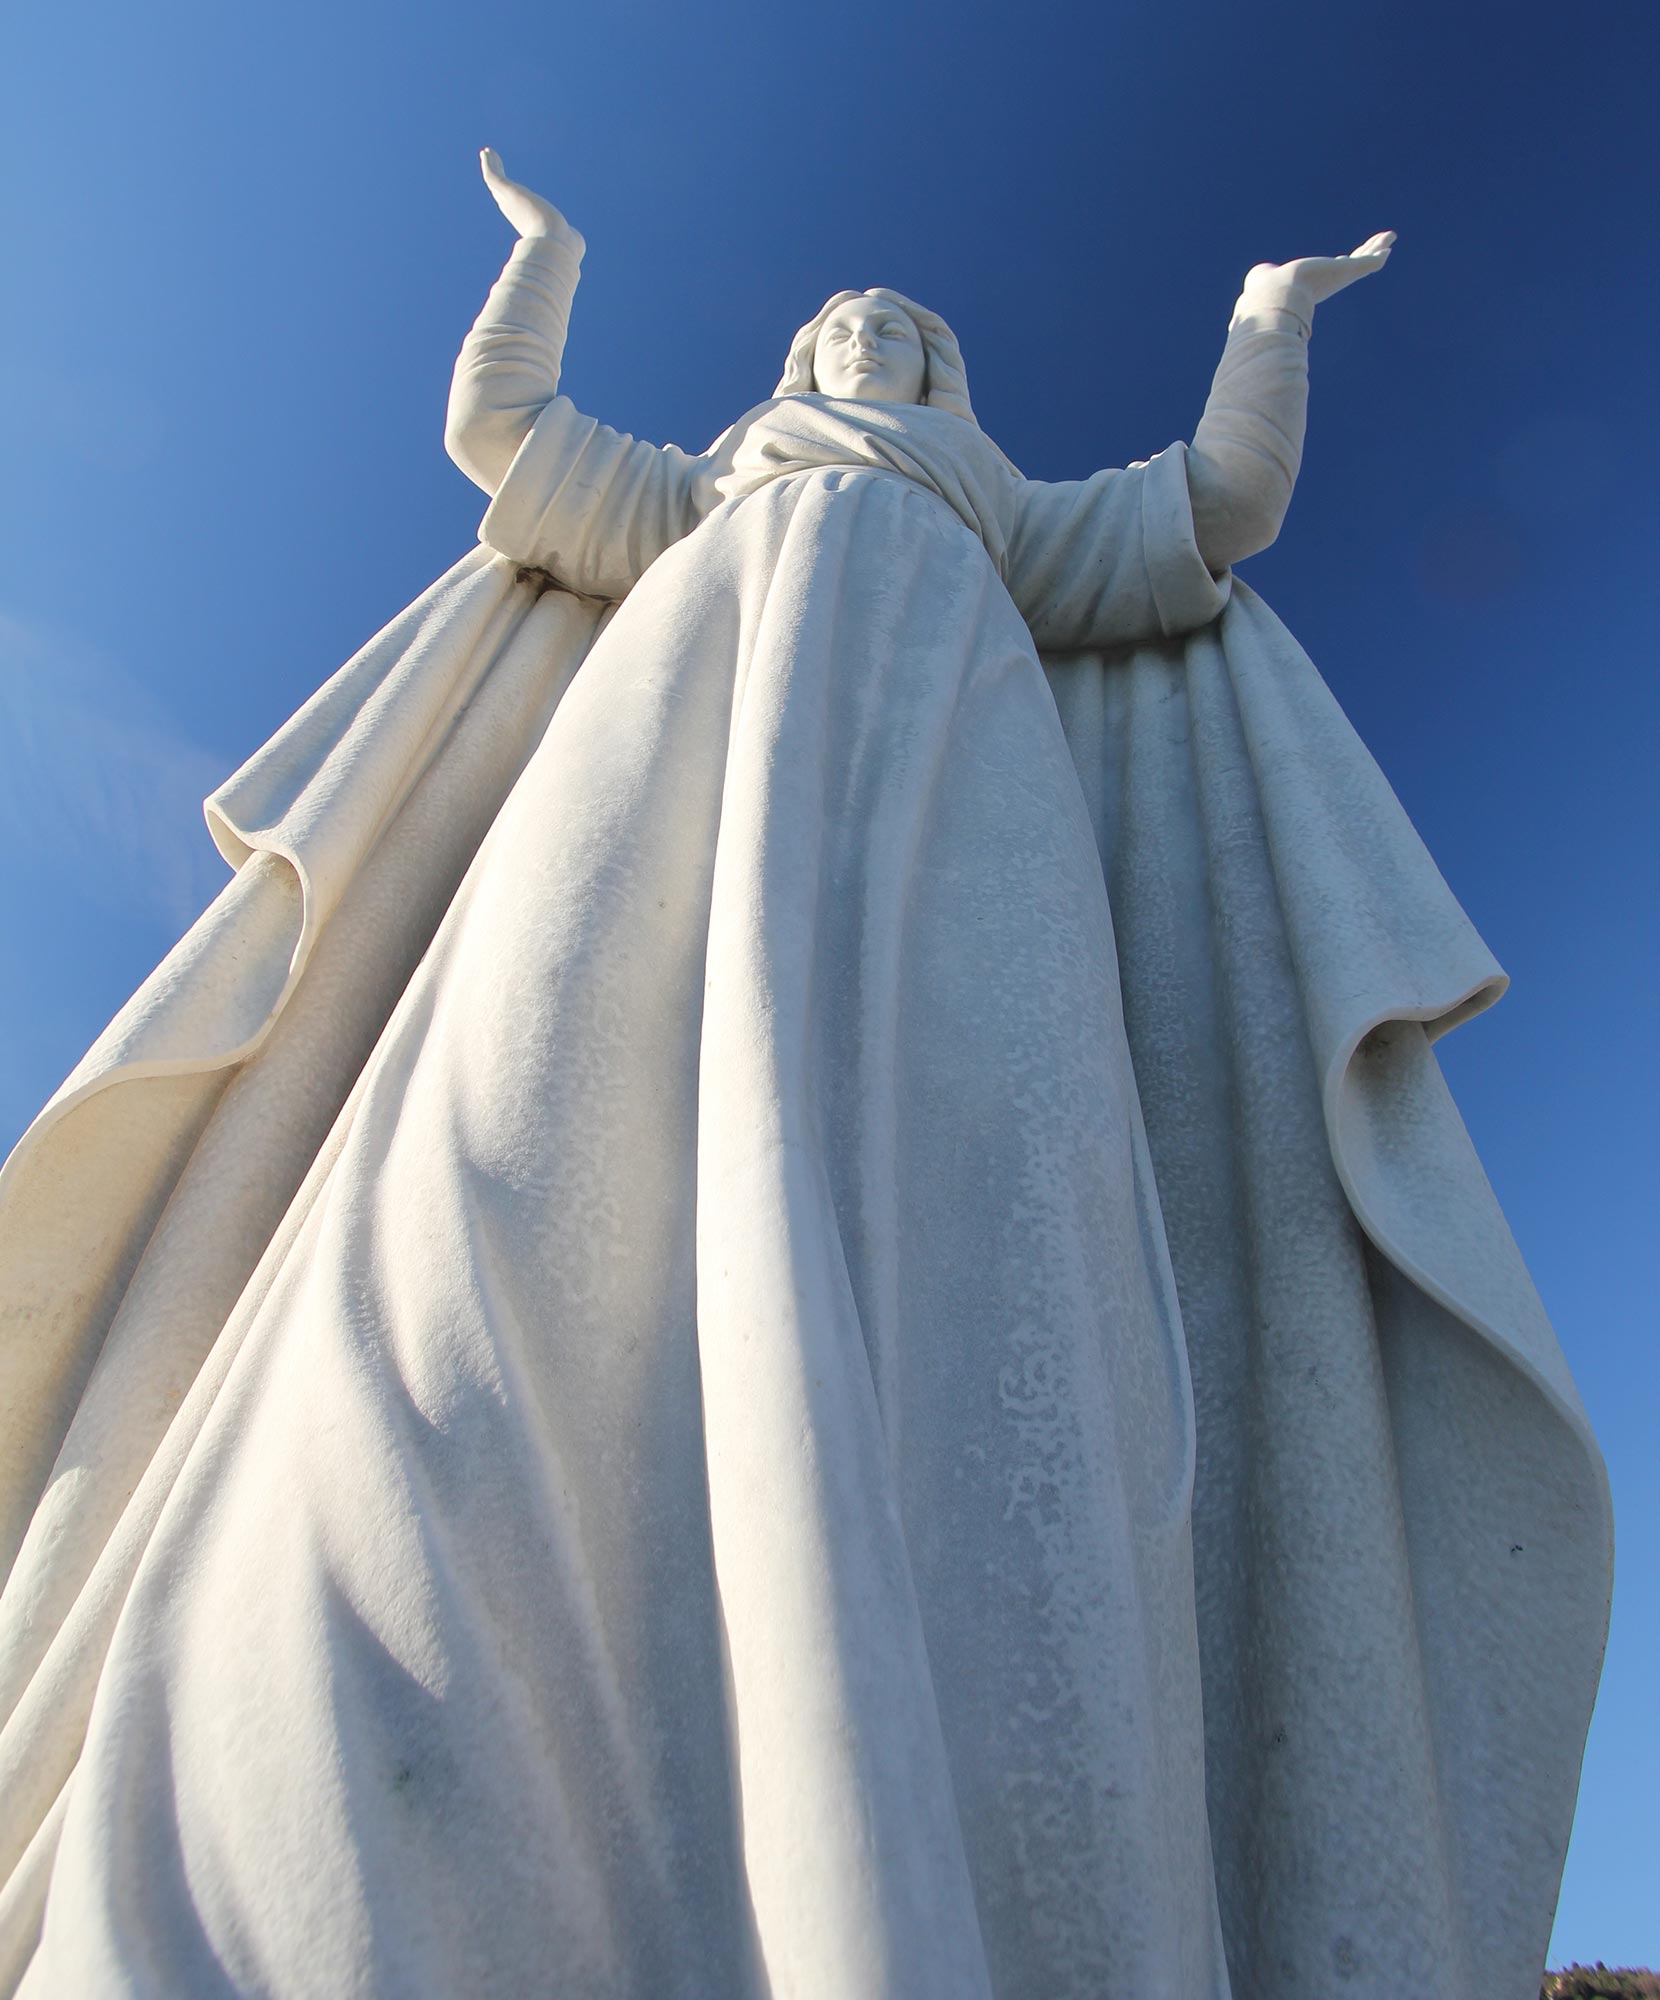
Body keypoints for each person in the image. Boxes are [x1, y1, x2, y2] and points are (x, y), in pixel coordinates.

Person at [0, 151, 1611, 1999]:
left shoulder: (998, 520)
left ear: (941, 385)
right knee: (507, 1135)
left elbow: (1220, 503)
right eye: (846, 319)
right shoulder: (699, 495)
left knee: (972, 1213)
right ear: (796, 360)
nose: (872, 326)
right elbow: (497, 431)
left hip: (963, 802)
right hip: (662, 754)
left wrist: (1267, 317)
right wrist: (547, 258)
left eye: (908, 329)